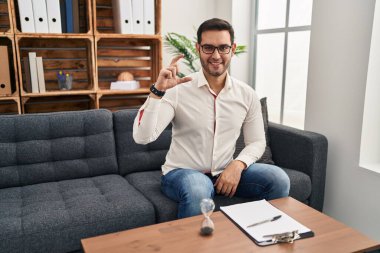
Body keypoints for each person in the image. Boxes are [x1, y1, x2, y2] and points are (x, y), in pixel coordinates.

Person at [133, 18, 290, 218]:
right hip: (182, 173)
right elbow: (142, 137)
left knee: (278, 179)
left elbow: (257, 142)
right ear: (198, 48)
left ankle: (266, 239)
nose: (216, 56)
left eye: (223, 47)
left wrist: (237, 165)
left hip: (224, 171)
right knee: (198, 188)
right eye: (208, 48)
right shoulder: (178, 89)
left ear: (232, 49)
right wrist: (157, 92)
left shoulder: (247, 94)